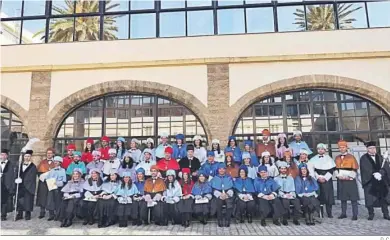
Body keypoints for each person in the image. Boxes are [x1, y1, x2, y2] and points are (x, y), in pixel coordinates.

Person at [360, 141, 390, 220]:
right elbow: (365, 169)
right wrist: (374, 173)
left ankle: (386, 214)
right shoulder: (363, 158)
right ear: (367, 149)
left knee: (383, 198)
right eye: (370, 148)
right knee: (370, 199)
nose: (373, 150)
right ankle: (371, 214)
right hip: (370, 182)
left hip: (381, 181)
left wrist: (381, 173)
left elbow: (386, 167)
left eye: (374, 148)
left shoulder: (380, 157)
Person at [307, 143, 335, 218]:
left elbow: (331, 170)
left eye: (322, 149)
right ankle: (320, 213)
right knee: (319, 197)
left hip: (327, 180)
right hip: (318, 180)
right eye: (319, 149)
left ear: (325, 150)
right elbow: (313, 170)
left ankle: (329, 213)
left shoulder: (329, 158)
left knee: (329, 197)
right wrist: (318, 177)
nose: (320, 150)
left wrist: (325, 178)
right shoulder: (313, 159)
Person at [335, 140, 359, 220]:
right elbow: (335, 169)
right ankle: (343, 213)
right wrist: (338, 176)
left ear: (346, 148)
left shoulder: (351, 157)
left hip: (350, 180)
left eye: (343, 147)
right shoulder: (337, 158)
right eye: (340, 147)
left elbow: (355, 169)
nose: (342, 149)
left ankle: (355, 214)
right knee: (343, 198)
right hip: (341, 180)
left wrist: (350, 177)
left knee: (353, 198)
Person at [274, 161, 301, 226]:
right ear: (279, 169)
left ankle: (296, 219)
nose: (283, 170)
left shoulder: (290, 178)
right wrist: (283, 195)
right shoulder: (276, 179)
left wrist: (291, 194)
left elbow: (293, 188)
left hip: (290, 194)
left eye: (284, 169)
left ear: (286, 169)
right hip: (282, 195)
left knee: (297, 202)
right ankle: (284, 219)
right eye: (281, 169)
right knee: (285, 202)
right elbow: (277, 190)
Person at [42, 156, 67, 221]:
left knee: (58, 201)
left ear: (60, 163)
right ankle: (51, 214)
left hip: (58, 188)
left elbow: (63, 180)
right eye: (55, 161)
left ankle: (58, 214)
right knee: (50, 200)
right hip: (51, 187)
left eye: (57, 161)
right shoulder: (51, 170)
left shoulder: (63, 170)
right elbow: (48, 178)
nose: (55, 162)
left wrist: (57, 183)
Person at [15, 150, 37, 221]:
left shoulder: (33, 166)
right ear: (23, 157)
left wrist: (25, 181)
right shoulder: (19, 165)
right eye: (25, 156)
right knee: (19, 200)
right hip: (20, 186)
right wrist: (17, 179)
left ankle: (28, 214)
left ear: (31, 157)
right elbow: (17, 174)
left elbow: (32, 177)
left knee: (28, 200)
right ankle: (20, 214)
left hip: (29, 186)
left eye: (28, 156)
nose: (27, 157)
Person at [210, 163, 234, 227]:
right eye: (220, 169)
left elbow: (232, 187)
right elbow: (213, 189)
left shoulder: (229, 177)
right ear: (218, 170)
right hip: (218, 194)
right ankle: (219, 220)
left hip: (227, 193)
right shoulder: (215, 178)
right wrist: (219, 195)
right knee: (218, 203)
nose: (221, 170)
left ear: (225, 170)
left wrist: (227, 194)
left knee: (229, 203)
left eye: (223, 169)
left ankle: (227, 220)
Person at [36, 148, 56, 219]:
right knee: (42, 196)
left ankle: (52, 213)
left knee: (51, 197)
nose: (49, 154)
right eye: (48, 153)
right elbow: (38, 171)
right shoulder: (42, 162)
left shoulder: (56, 162)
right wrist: (42, 176)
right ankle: (42, 212)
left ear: (53, 154)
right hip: (43, 182)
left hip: (52, 181)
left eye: (50, 153)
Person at [1, 149, 16, 221]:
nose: (3, 156)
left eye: (4, 155)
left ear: (7, 156)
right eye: (1, 154)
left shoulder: (11, 164)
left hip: (6, 185)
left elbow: (12, 176)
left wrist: (12, 186)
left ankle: (3, 215)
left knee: (4, 201)